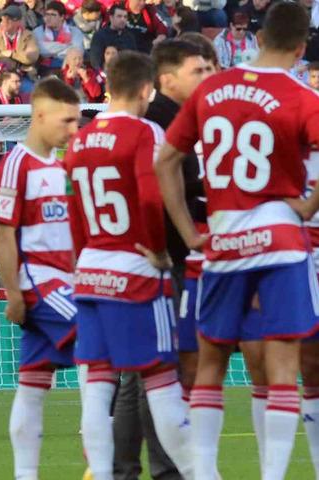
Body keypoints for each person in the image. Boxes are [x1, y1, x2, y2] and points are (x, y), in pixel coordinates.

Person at [156, 4, 319, 478]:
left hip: (224, 239)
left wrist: (189, 234)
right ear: (300, 47)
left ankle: (205, 474)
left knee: (211, 361)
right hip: (280, 236)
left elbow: (166, 161)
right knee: (283, 361)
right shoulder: (301, 95)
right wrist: (307, 207)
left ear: (259, 37)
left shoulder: (210, 89)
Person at [64, 51, 193, 480]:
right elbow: (152, 197)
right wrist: (158, 251)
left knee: (99, 391)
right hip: (135, 273)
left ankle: (104, 475)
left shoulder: (80, 139)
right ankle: (196, 474)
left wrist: (84, 258)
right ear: (144, 90)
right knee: (161, 384)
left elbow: (74, 211)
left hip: (91, 272)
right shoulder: (144, 132)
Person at [0, 77, 80, 480]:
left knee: (32, 383)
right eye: (67, 121)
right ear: (41, 115)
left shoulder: (64, 162)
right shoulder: (17, 163)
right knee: (105, 345)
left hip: (66, 279)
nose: (73, 130)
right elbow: (4, 231)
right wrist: (13, 292)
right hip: (41, 284)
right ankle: (101, 464)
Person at [0, 5, 39, 77]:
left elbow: (31, 57)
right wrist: (18, 65)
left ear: (18, 22)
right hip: (2, 75)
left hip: (25, 75)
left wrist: (12, 54)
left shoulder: (28, 36)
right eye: (2, 20)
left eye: (8, 20)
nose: (3, 23)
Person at [33, 1, 85, 71]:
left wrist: (52, 52)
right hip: (45, 69)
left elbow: (78, 52)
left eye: (53, 15)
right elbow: (42, 50)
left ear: (62, 17)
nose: (48, 18)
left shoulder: (75, 31)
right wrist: (68, 47)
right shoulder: (38, 31)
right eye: (47, 14)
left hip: (69, 68)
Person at [89, 4, 138, 70]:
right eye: (119, 16)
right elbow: (95, 62)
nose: (123, 20)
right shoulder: (100, 36)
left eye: (125, 17)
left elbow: (135, 60)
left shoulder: (129, 36)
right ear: (111, 18)